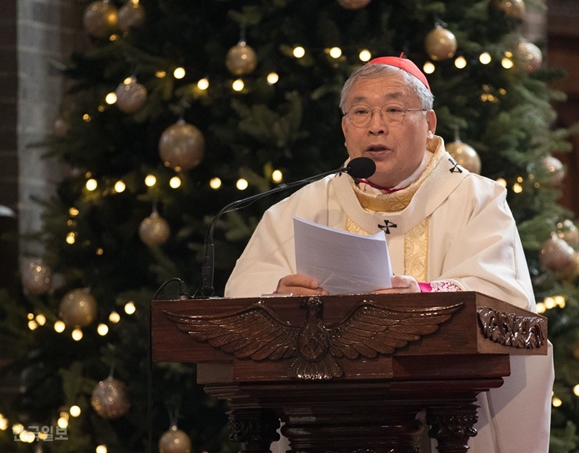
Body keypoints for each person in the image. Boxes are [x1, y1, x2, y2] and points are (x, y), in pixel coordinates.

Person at [225, 55, 554, 452]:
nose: (375, 125)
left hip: (451, 417)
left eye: (394, 110)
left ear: (429, 124)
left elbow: (507, 301)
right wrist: (280, 295)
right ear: (345, 128)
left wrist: (424, 295)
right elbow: (240, 293)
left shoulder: (477, 201)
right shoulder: (303, 205)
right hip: (322, 423)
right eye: (360, 111)